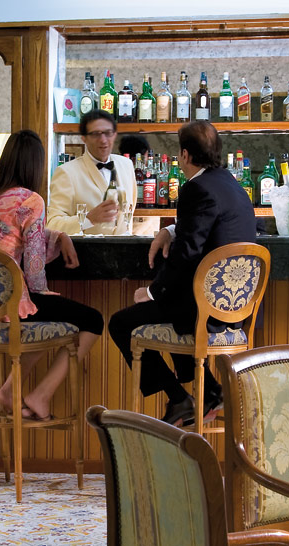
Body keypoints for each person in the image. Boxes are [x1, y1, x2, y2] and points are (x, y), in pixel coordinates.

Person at [107, 121, 257, 426]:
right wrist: (171, 230)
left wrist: (152, 292)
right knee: (173, 311)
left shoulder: (196, 189)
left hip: (204, 312)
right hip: (235, 310)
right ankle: (210, 391)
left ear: (185, 155)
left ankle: (179, 399)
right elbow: (209, 225)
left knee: (121, 324)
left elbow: (187, 253)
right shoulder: (232, 184)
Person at [0, 129, 104, 420]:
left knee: (46, 317)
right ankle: (40, 395)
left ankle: (10, 391)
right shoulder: (31, 201)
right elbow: (33, 268)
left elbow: (2, 233)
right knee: (92, 320)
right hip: (10, 303)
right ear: (36, 165)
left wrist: (57, 235)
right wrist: (42, 291)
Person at [46, 109, 136, 236]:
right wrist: (88, 219)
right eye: (95, 134)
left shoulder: (126, 165)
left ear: (115, 135)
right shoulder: (67, 172)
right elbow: (52, 224)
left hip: (125, 247)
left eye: (108, 133)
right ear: (84, 138)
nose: (103, 140)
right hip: (87, 248)